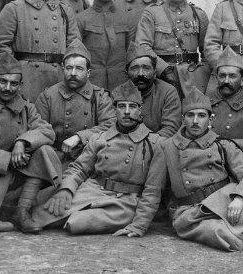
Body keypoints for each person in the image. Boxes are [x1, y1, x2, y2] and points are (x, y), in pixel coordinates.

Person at [133, 87, 243, 251]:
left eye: (201, 116)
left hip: (224, 202)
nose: (196, 121)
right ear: (183, 119)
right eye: (190, 115)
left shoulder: (222, 145)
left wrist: (240, 198)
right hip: (189, 212)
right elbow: (153, 189)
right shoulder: (167, 147)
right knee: (222, 235)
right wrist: (138, 226)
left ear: (210, 120)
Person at [26, 82, 163, 235]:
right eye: (121, 106)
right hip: (93, 190)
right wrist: (66, 189)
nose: (126, 112)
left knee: (77, 223)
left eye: (132, 106)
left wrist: (139, 225)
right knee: (41, 211)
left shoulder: (155, 143)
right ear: (114, 110)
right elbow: (79, 169)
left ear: (140, 110)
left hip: (126, 203)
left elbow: (153, 190)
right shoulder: (99, 138)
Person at [0, 53, 60, 233]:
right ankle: (2, 210)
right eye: (3, 81)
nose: (8, 88)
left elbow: (46, 131)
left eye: (14, 84)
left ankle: (22, 212)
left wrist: (21, 143)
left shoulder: (26, 107)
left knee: (44, 150)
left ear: (21, 85)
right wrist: (9, 159)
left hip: (22, 173)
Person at [28, 41, 115, 232]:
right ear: (62, 69)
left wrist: (79, 137)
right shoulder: (48, 96)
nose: (73, 73)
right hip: (55, 160)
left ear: (89, 72)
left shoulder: (100, 97)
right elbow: (37, 126)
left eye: (79, 68)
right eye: (69, 68)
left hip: (87, 161)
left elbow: (110, 126)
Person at [0, 0, 80, 102]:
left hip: (58, 79)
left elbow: (75, 47)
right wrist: (14, 76)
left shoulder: (65, 10)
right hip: (27, 79)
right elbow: (2, 47)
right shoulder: (14, 9)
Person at [137, 0, 210, 98]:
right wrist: (163, 69)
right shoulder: (152, 12)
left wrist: (202, 74)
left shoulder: (199, 15)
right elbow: (142, 46)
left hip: (192, 79)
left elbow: (207, 51)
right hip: (160, 78)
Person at [76, 0, 135, 90]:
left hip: (120, 85)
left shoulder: (126, 18)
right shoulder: (81, 19)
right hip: (91, 85)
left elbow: (132, 52)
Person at [120, 42, 182, 138]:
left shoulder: (168, 92)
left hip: (158, 147)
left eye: (146, 68)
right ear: (126, 73)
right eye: (134, 68)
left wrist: (146, 145)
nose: (140, 74)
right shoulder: (118, 93)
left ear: (155, 73)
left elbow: (171, 128)